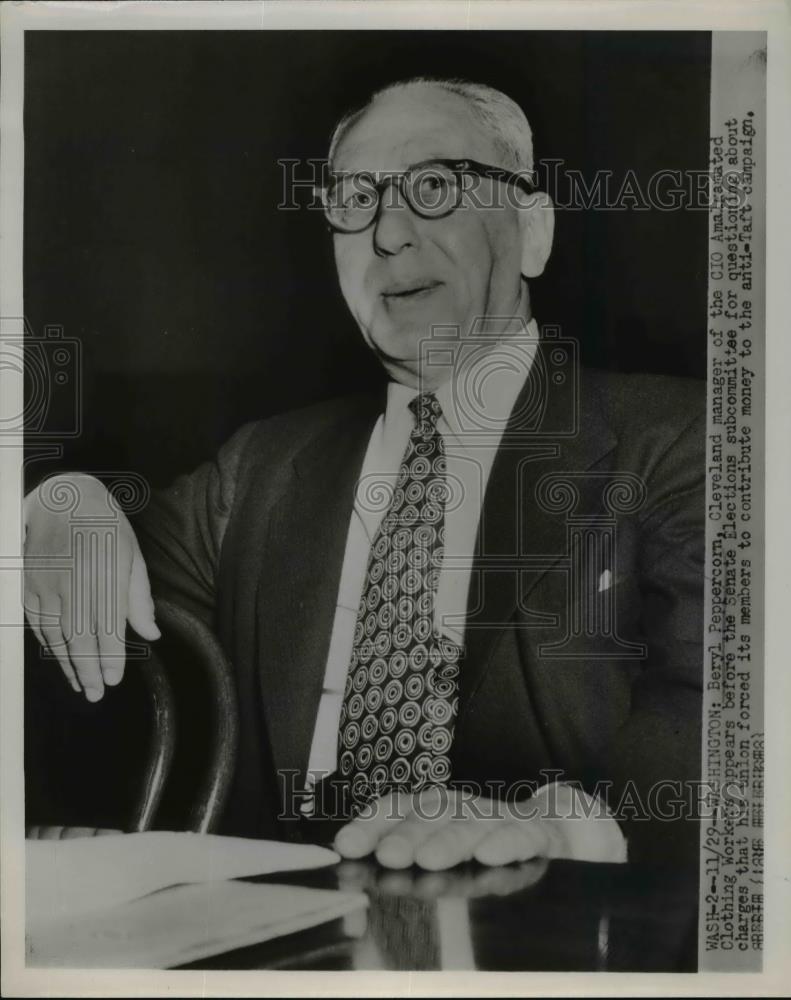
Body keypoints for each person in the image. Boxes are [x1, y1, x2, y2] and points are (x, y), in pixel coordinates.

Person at [23, 77, 705, 870]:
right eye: (353, 198)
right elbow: (89, 599)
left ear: (530, 231)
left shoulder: (675, 439)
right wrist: (61, 499)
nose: (387, 233)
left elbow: (725, 707)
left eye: (434, 187)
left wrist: (561, 827)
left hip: (530, 919)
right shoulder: (259, 468)